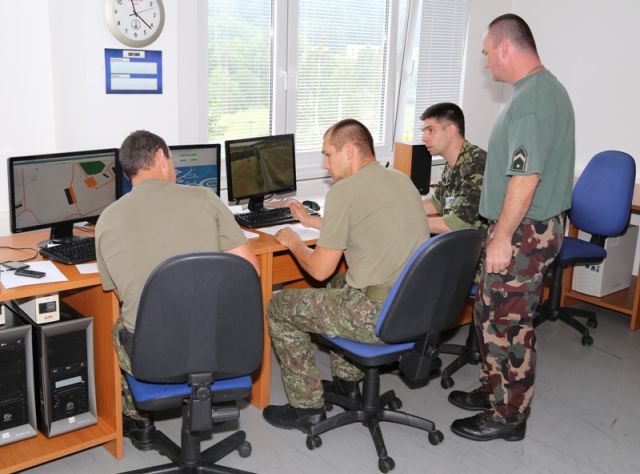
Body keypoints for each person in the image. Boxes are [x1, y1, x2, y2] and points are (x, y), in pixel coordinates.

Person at [449, 14, 575, 442]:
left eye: (487, 53)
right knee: (490, 315)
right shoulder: (536, 90)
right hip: (521, 228)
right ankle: (494, 392)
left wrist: (501, 238)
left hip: (523, 232)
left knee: (508, 324)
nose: (486, 63)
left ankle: (508, 415)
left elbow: (526, 177)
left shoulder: (533, 100)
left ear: (505, 47)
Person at [262, 119, 429, 431]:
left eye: (328, 155)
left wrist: (294, 242)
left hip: (377, 315)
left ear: (349, 150)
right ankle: (347, 384)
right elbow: (364, 224)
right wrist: (312, 222)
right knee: (339, 284)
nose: (326, 165)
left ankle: (306, 408)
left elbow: (318, 270)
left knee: (280, 306)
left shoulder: (345, 191)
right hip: (414, 308)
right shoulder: (400, 180)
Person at [95, 130, 258, 448]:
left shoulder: (107, 220)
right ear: (160, 157)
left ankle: (139, 422)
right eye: (171, 159)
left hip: (155, 355)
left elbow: (126, 297)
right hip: (221, 346)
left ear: (128, 173)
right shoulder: (205, 199)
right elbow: (249, 274)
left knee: (120, 325)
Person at [420, 102, 487, 282]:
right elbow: (436, 203)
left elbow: (453, 225)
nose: (424, 138)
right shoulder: (453, 164)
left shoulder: (476, 164)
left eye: (430, 130)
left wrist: (406, 222)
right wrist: (399, 210)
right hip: (457, 249)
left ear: (450, 130)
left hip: (478, 259)